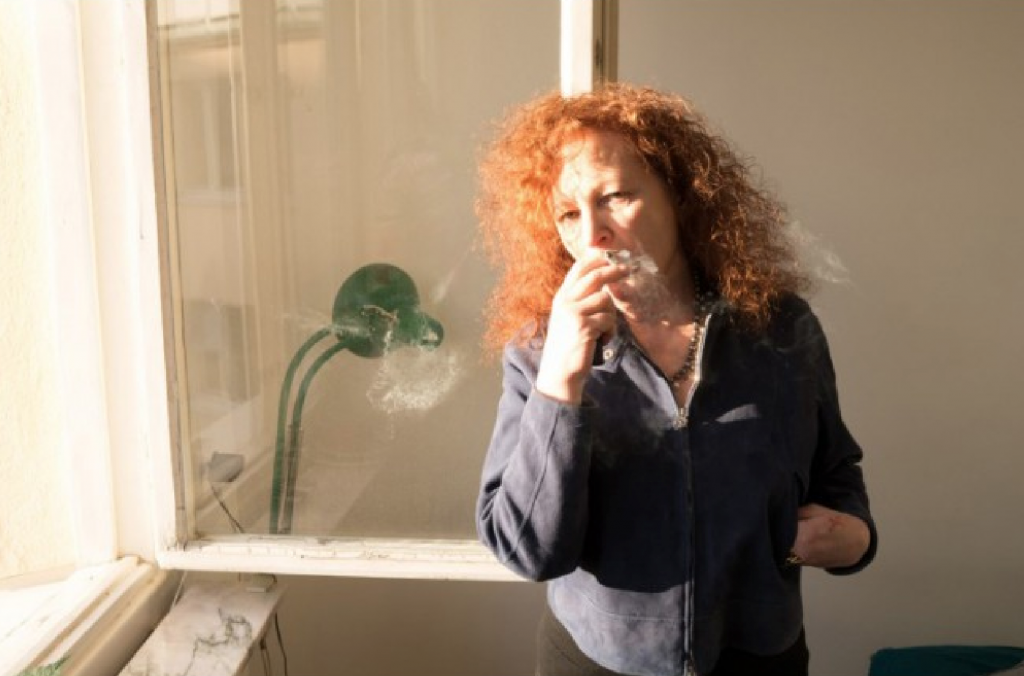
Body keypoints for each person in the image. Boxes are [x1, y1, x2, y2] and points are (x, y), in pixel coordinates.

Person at [473, 83, 877, 676]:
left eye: (614, 197)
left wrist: (856, 538)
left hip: (759, 656)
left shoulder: (780, 328)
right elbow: (528, 551)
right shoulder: (539, 349)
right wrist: (561, 378)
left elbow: (836, 471)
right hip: (596, 661)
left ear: (681, 197)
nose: (592, 234)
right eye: (567, 213)